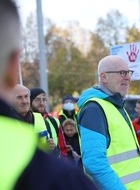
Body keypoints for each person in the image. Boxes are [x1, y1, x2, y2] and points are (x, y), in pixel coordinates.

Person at [0, 1, 97, 189]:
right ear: (14, 65)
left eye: (27, 97)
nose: (25, 101)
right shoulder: (61, 179)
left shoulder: (49, 121)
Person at [77, 55, 140, 189]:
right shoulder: (94, 109)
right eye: (122, 73)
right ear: (104, 77)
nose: (128, 77)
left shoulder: (115, 106)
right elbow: (93, 162)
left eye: (129, 72)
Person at [10, 84, 56, 151]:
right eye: (19, 97)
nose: (24, 101)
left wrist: (51, 147)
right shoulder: (5, 121)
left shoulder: (39, 118)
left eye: (26, 96)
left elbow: (50, 146)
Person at [30, 87, 60, 154]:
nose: (42, 103)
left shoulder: (54, 121)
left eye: (44, 100)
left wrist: (54, 148)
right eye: (37, 100)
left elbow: (61, 147)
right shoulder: (26, 121)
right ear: (30, 101)